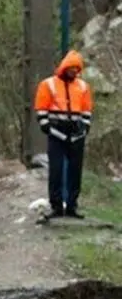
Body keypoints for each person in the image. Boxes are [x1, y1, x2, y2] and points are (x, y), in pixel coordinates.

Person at [34, 50, 94, 219]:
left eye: (77, 68)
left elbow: (87, 109)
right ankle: (56, 206)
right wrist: (46, 125)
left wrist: (85, 128)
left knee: (75, 171)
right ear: (64, 67)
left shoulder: (83, 87)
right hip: (56, 132)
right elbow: (41, 107)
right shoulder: (48, 84)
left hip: (76, 133)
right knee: (56, 170)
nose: (74, 71)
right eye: (71, 68)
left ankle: (72, 206)